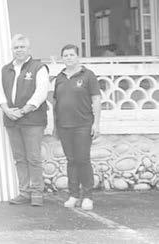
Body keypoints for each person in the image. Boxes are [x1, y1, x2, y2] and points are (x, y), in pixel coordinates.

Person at [0, 34, 50, 207]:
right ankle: (24, 192)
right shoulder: (6, 69)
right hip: (11, 119)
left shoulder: (38, 67)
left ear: (29, 49)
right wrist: (7, 110)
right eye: (16, 47)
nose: (19, 50)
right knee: (19, 158)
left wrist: (23, 110)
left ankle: (37, 192)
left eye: (22, 47)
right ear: (12, 49)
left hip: (32, 119)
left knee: (33, 157)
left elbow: (41, 93)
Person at [52, 44, 101, 211]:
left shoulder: (88, 75)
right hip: (64, 126)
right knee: (71, 160)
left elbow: (96, 99)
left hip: (83, 125)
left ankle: (87, 196)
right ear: (62, 58)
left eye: (71, 54)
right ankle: (73, 195)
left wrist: (96, 123)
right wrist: (55, 126)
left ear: (78, 57)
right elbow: (56, 102)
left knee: (83, 160)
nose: (68, 57)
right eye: (65, 55)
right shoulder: (59, 78)